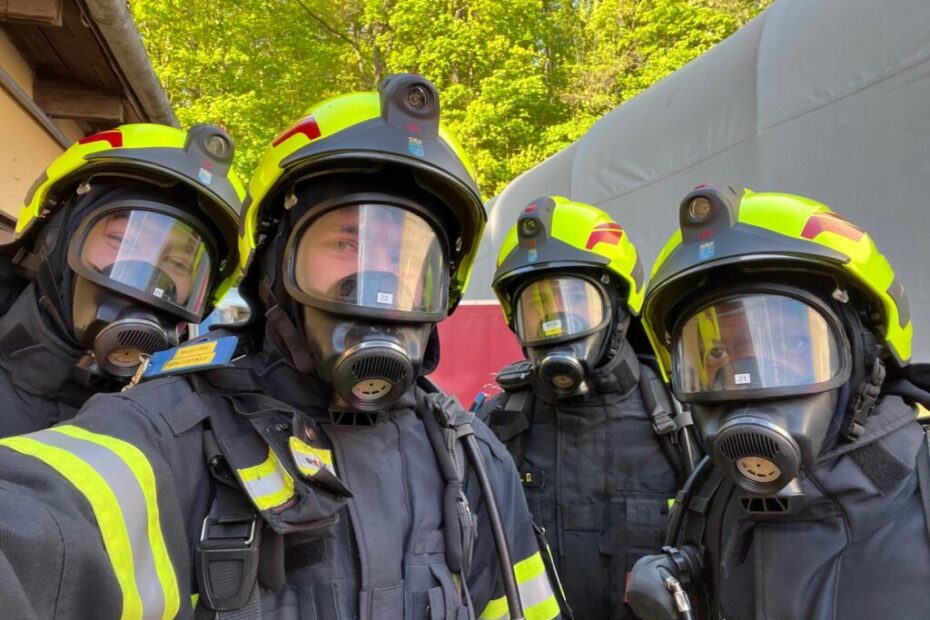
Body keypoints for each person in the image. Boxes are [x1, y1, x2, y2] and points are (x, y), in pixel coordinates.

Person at [0, 74, 560, 620]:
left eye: (408, 258)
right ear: (274, 263)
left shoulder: (472, 458)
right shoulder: (170, 434)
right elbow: (40, 529)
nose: (378, 281)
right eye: (346, 243)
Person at [626, 185, 930, 620]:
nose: (749, 377)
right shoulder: (710, 496)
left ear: (866, 354)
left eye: (791, 342)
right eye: (716, 353)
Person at [477, 196, 694, 619]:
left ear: (620, 310)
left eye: (575, 304)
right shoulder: (495, 428)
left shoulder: (682, 424)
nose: (555, 326)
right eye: (537, 309)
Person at [0, 123, 243, 436]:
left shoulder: (183, 432)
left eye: (179, 263)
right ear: (53, 240)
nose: (147, 275)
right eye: (121, 240)